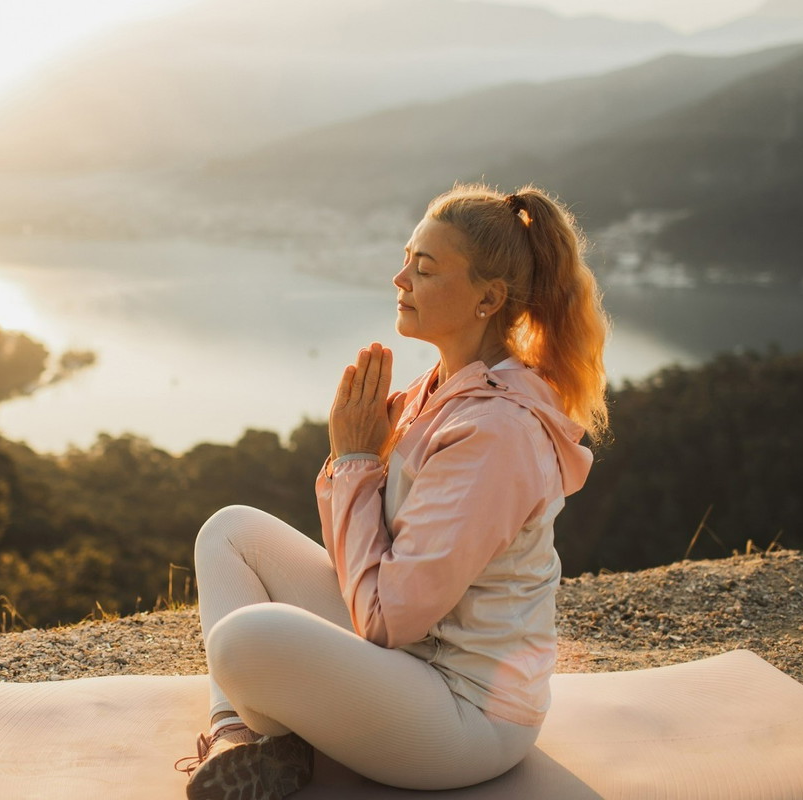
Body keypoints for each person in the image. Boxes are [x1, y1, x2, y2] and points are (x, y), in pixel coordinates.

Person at [176, 183, 610, 800]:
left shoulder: (495, 429)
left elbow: (382, 620)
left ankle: (266, 730)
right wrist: (355, 462)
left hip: (466, 715)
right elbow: (367, 576)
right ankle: (241, 742)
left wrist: (355, 460)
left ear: (488, 297)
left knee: (245, 640)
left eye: (424, 269)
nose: (399, 277)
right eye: (407, 258)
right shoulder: (437, 391)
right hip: (411, 658)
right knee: (230, 532)